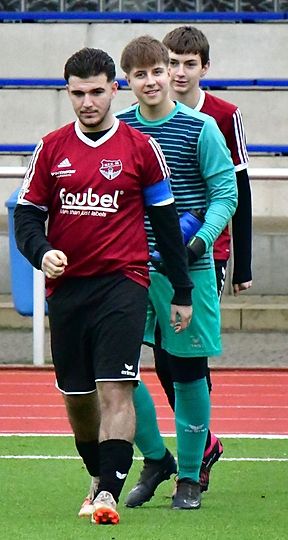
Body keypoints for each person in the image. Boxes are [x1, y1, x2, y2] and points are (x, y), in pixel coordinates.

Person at [13, 47, 193, 525]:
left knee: (116, 388)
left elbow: (166, 223)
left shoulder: (141, 149)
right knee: (78, 399)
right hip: (68, 289)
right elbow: (26, 217)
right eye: (78, 94)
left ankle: (109, 492)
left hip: (123, 283)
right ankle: (98, 474)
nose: (88, 102)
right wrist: (41, 252)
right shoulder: (51, 148)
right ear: (68, 93)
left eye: (97, 92)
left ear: (114, 89)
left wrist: (182, 290)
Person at [115, 36, 237, 511]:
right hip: (129, 270)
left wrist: (197, 243)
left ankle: (189, 476)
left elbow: (225, 194)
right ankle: (155, 458)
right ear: (127, 81)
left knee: (187, 372)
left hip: (189, 269)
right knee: (117, 371)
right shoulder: (119, 128)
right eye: (140, 74)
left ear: (170, 72)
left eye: (158, 71)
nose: (151, 81)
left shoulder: (201, 128)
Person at [149, 24, 251, 493]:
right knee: (160, 360)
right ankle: (203, 441)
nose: (179, 72)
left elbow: (237, 189)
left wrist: (242, 263)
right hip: (151, 257)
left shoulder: (222, 116)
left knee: (189, 356)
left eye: (189, 64)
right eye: (172, 63)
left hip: (206, 251)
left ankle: (196, 452)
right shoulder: (139, 117)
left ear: (204, 68)